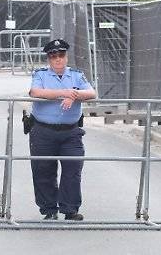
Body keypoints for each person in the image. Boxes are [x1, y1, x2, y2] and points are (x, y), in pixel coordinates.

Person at [28, 39, 96, 221]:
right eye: (53, 56)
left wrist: (74, 95)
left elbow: (91, 93)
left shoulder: (76, 75)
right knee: (43, 171)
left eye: (61, 55)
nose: (58, 59)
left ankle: (70, 209)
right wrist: (66, 93)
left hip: (70, 132)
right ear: (49, 59)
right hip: (43, 131)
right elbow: (36, 92)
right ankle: (49, 209)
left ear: (66, 57)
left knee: (73, 169)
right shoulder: (41, 75)